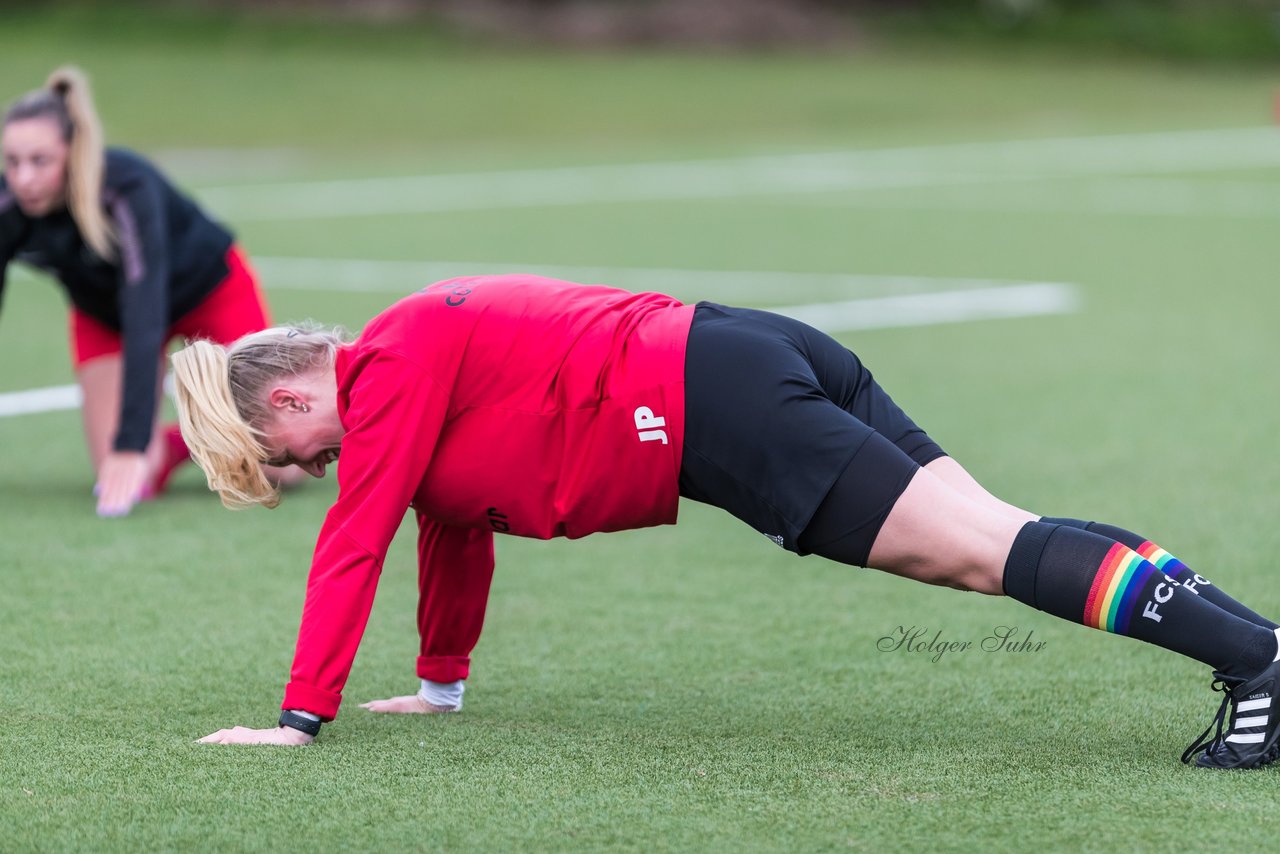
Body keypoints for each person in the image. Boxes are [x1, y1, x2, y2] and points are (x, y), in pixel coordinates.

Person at [172, 274, 1280, 769]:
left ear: (292, 398)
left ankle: (1255, 663)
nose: (314, 469)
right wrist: (440, 682)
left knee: (986, 556)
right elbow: (444, 528)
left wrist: (298, 718)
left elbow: (353, 536)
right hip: (741, 356)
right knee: (1000, 534)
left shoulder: (392, 364)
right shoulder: (410, 383)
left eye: (291, 456)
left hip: (714, 406)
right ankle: (1260, 654)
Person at [0, 66, 296, 516]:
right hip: (104, 316)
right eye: (12, 161)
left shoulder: (126, 188)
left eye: (40, 161)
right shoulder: (9, 205)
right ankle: (186, 446)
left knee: (278, 461)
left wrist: (132, 442)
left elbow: (145, 311)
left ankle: (189, 438)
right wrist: (127, 456)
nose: (23, 179)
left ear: (74, 153)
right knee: (123, 479)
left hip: (209, 291)